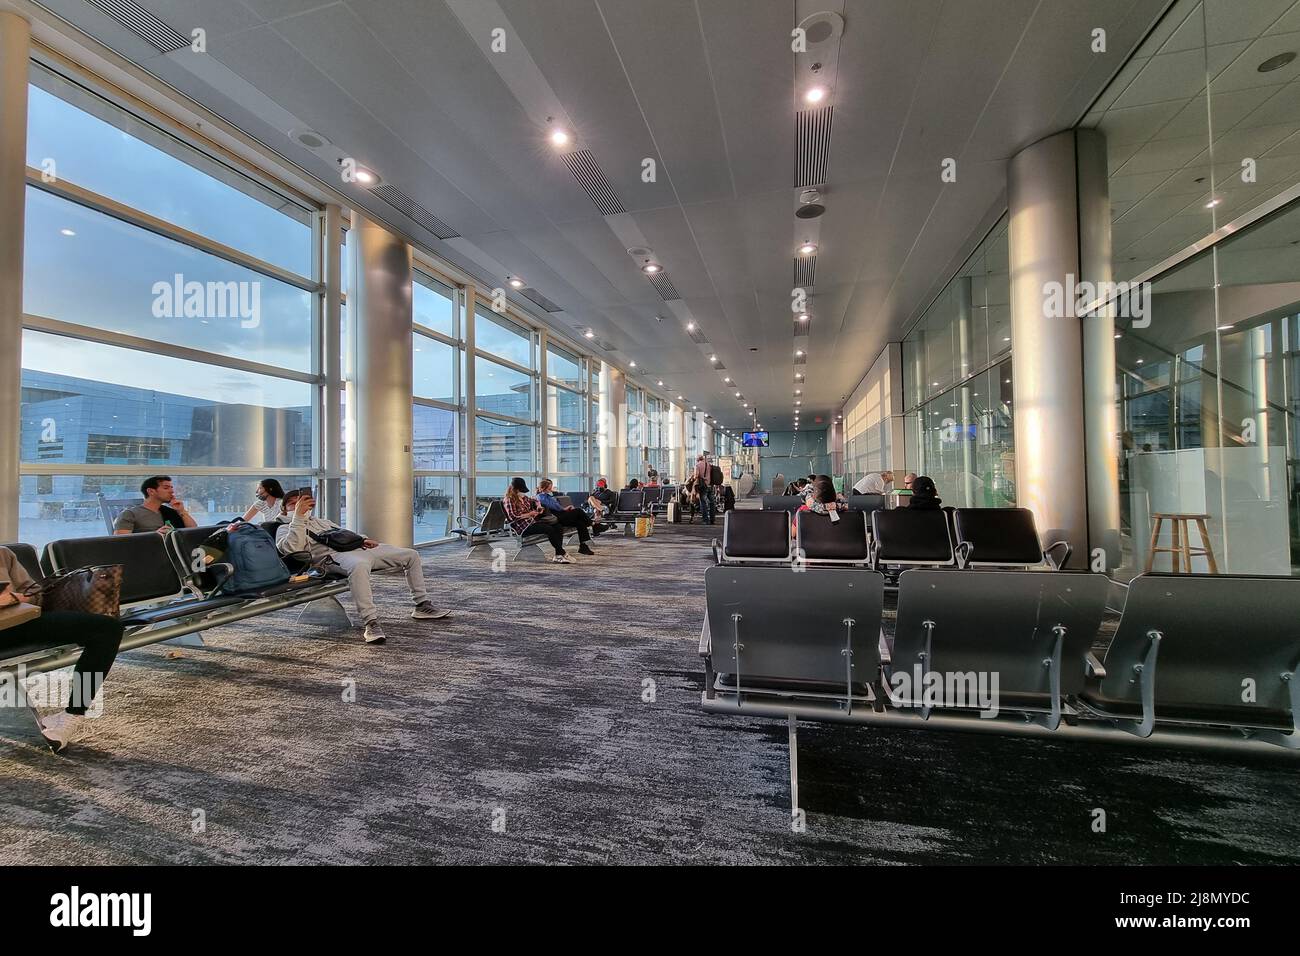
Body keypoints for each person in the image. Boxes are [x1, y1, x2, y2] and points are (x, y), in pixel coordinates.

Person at [275, 488, 450, 644]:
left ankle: (422, 605)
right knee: (359, 565)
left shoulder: (322, 521)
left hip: (358, 549)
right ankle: (371, 623)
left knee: (410, 555)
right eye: (292, 504)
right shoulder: (283, 528)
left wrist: (362, 540)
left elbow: (343, 534)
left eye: (300, 504)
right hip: (332, 558)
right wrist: (298, 517)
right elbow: (292, 549)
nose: (298, 507)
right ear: (284, 509)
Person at [0, 546, 126, 750]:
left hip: (17, 623)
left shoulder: (4, 554)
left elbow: (34, 595)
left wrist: (13, 598)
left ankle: (73, 714)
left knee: (107, 628)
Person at [503, 477, 573, 564]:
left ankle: (558, 555)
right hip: (523, 527)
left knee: (558, 526)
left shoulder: (524, 498)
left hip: (532, 522)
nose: (523, 493)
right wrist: (529, 514)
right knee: (549, 529)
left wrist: (538, 506)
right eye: (522, 491)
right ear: (515, 489)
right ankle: (562, 552)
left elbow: (535, 499)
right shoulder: (509, 499)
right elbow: (513, 517)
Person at [113, 476, 198, 535]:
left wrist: (182, 511)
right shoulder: (129, 514)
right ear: (151, 491)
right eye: (166, 488)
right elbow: (120, 542)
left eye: (171, 488)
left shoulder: (170, 512)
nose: (172, 491)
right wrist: (154, 536)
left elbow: (193, 532)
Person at [536, 479, 596, 554]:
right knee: (578, 511)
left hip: (560, 514)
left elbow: (556, 506)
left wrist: (565, 508)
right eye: (549, 488)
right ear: (542, 489)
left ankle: (583, 546)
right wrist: (563, 509)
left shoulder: (549, 496)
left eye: (551, 488)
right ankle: (594, 525)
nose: (551, 490)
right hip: (556, 517)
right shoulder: (540, 497)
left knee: (580, 523)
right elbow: (552, 506)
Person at [693, 454, 716, 525]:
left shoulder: (697, 465)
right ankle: (712, 519)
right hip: (710, 485)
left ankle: (705, 520)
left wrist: (693, 478)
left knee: (703, 503)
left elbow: (696, 476)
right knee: (712, 502)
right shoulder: (708, 464)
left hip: (703, 486)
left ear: (697, 459)